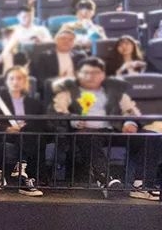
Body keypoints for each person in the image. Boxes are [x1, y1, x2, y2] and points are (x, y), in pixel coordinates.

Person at [49, 57, 140, 193]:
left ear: (103, 75)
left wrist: (129, 122)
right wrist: (73, 119)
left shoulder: (115, 92)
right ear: (78, 74)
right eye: (86, 73)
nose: (90, 76)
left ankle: (142, 183)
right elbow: (56, 112)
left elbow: (131, 110)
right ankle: (106, 178)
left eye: (95, 73)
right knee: (89, 137)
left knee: (148, 138)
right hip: (85, 131)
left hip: (114, 129)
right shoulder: (68, 92)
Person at [0, 66, 46, 196]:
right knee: (27, 135)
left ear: (25, 82)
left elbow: (42, 123)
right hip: (5, 135)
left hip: (28, 135)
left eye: (19, 78)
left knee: (30, 132)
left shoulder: (34, 103)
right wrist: (6, 128)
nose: (15, 82)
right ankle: (25, 179)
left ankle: (22, 173)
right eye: (12, 79)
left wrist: (24, 127)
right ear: (6, 82)